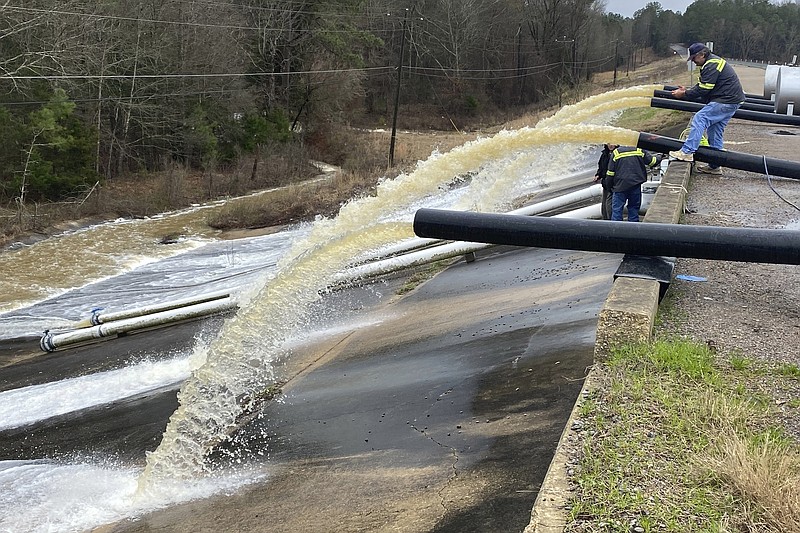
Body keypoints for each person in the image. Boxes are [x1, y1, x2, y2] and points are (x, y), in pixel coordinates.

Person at [668, 43, 745, 175]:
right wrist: (686, 92)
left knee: (700, 117)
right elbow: (704, 88)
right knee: (715, 130)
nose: (693, 61)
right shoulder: (711, 63)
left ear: (702, 54)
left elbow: (704, 89)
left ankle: (687, 152)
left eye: (694, 58)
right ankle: (715, 165)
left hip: (726, 100)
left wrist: (684, 94)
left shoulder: (711, 64)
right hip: (731, 100)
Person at [606, 146, 662, 222]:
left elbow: (610, 173)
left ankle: (616, 230)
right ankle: (633, 230)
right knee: (633, 209)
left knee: (617, 210)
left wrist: (609, 187)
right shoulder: (639, 150)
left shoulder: (616, 152)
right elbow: (652, 162)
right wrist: (660, 156)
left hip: (619, 186)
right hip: (635, 185)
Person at [593, 143, 617, 220]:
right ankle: (606, 219)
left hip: (614, 182)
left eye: (612, 143)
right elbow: (601, 166)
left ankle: (610, 219)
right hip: (606, 182)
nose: (610, 145)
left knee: (609, 202)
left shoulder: (617, 154)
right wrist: (598, 175)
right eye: (609, 143)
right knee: (605, 203)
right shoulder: (604, 154)